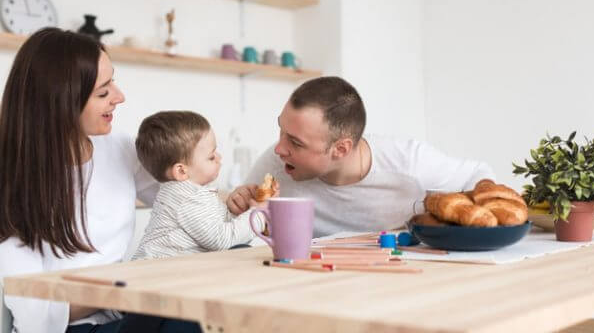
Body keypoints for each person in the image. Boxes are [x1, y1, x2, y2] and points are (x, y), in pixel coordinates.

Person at [0, 28, 200, 333]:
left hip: (123, 312)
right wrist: (125, 285)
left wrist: (231, 201)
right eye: (103, 91)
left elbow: (180, 204)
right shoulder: (14, 181)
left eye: (113, 83)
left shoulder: (118, 147)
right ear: (62, 102)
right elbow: (37, 317)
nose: (119, 97)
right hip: (68, 329)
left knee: (201, 314)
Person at [226, 76, 495, 238]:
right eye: (281, 131)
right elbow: (243, 233)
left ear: (341, 149)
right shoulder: (275, 166)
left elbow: (478, 174)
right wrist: (238, 206)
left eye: (295, 142)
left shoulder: (409, 163)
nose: (279, 148)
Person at [132, 111, 266, 261]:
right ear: (182, 171)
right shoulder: (187, 198)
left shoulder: (190, 193)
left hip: (173, 270)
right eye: (211, 156)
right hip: (155, 271)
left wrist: (241, 211)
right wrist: (259, 213)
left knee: (241, 252)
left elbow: (220, 231)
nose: (219, 158)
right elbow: (223, 240)